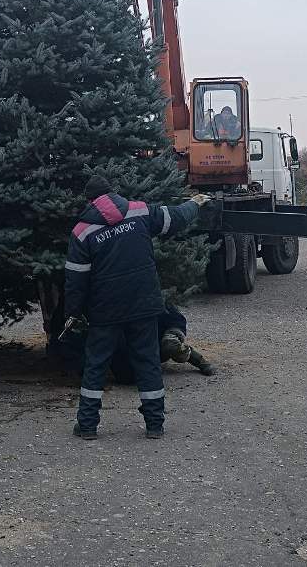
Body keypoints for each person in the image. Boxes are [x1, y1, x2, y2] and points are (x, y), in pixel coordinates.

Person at [64, 175, 210, 440]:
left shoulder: (82, 231)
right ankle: (155, 425)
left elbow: (76, 279)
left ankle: (86, 426)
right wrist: (194, 204)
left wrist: (73, 312)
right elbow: (175, 217)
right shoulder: (139, 211)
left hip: (104, 310)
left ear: (90, 201)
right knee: (148, 361)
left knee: (96, 365)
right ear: (113, 193)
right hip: (143, 304)